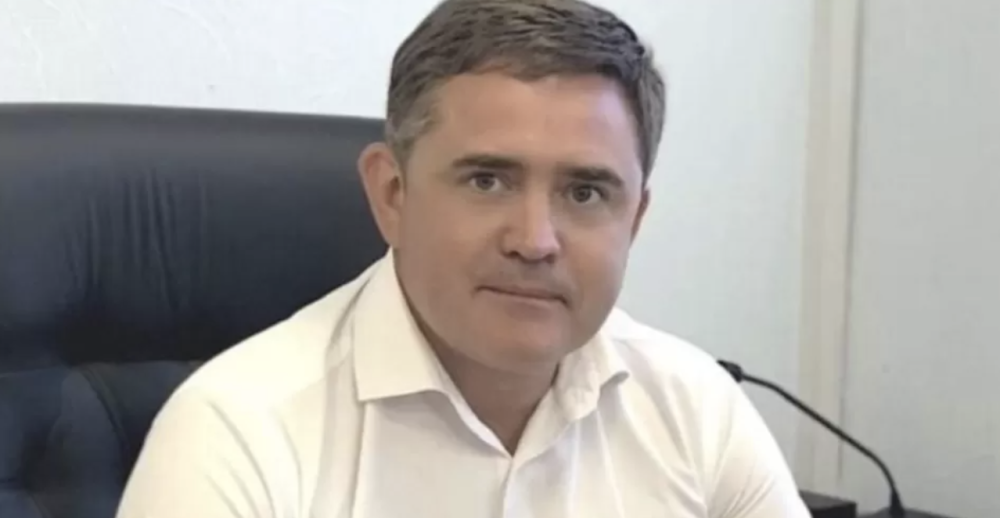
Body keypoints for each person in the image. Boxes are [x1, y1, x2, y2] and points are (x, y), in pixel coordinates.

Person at [116, 0, 809, 516]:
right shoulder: (238, 431)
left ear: (635, 220)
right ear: (392, 194)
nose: (535, 240)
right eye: (487, 181)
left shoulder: (695, 409)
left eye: (585, 192)